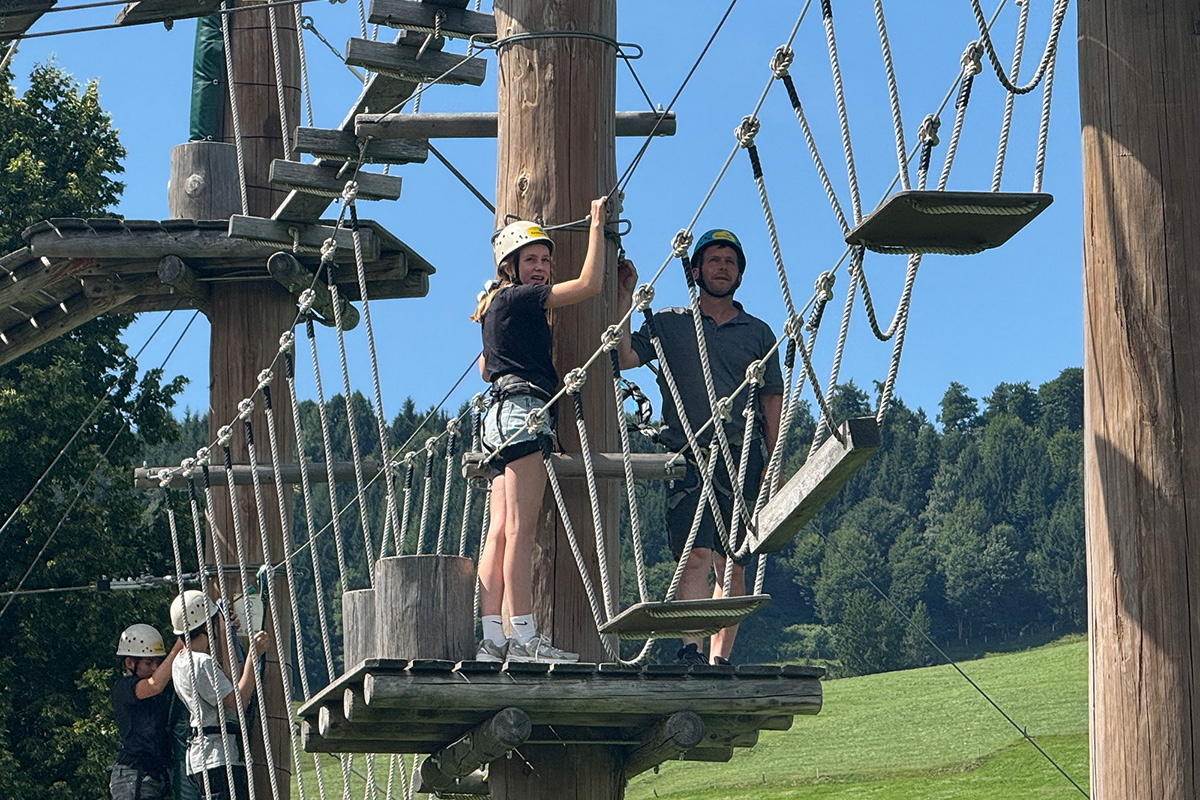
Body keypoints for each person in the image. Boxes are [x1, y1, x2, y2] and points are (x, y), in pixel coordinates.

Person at [616, 229, 784, 666]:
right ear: (695, 271)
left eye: (730, 261)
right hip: (690, 458)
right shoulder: (670, 324)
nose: (723, 267)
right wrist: (625, 299)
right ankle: (689, 649)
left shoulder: (759, 334)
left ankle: (719, 658)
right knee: (694, 555)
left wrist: (775, 463)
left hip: (742, 459)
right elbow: (623, 357)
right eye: (713, 260)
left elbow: (771, 403)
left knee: (733, 562)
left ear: (740, 274)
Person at [471, 196, 609, 664]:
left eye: (546, 260)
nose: (541, 268)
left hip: (495, 416)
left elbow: (485, 367)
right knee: (522, 531)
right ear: (510, 265)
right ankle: (525, 636)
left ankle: (493, 639)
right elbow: (589, 285)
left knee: (500, 532)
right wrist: (596, 225)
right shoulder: (518, 296)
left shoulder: (493, 303)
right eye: (530, 259)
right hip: (524, 410)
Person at [170, 589, 269, 800]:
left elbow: (228, 681)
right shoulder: (201, 663)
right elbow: (239, 700)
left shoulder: (180, 662)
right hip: (217, 757)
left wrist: (225, 633)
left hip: (201, 758)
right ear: (207, 626)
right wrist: (253, 655)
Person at [110, 623, 185, 800]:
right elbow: (154, 685)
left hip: (154, 777)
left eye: (156, 662)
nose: (154, 668)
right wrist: (181, 641)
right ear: (129, 663)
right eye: (148, 662)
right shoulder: (124, 688)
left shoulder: (158, 694)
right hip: (134, 778)